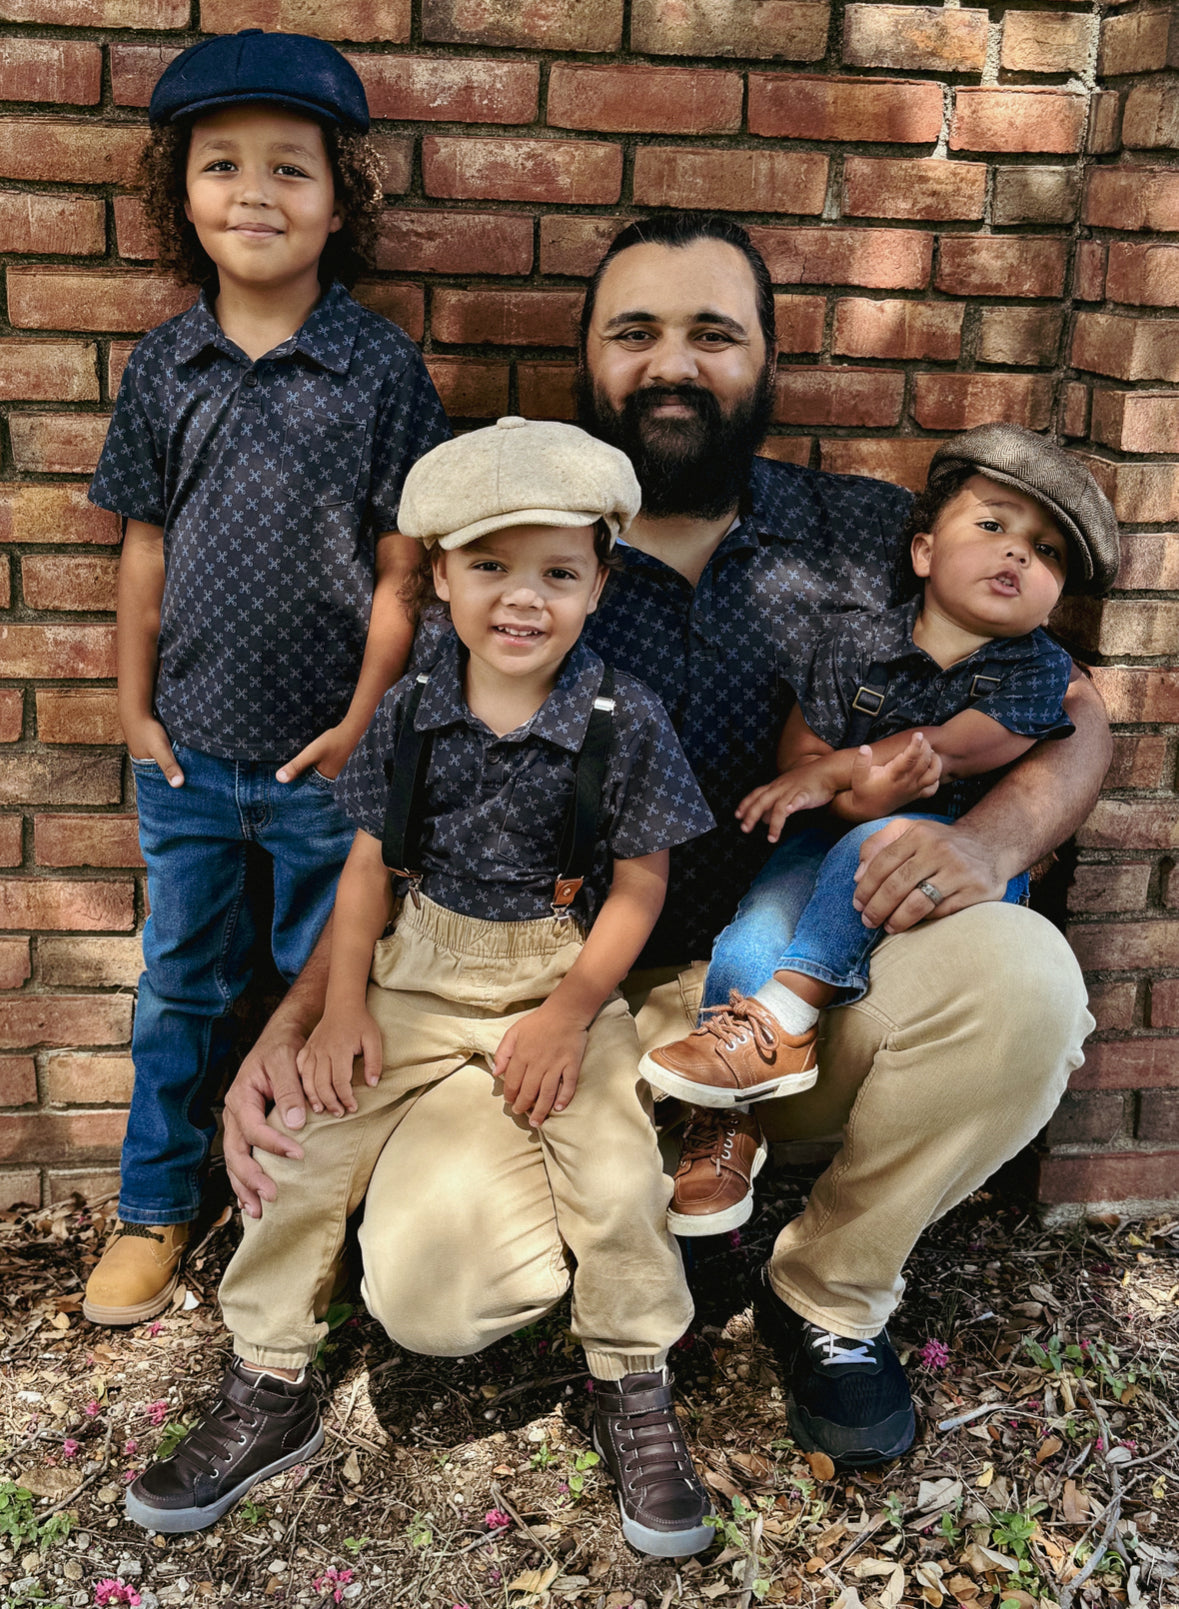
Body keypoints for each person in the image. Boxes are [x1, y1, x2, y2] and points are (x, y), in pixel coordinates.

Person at [222, 213, 1109, 1472]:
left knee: (1024, 979)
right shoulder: (514, 568)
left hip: (798, 992)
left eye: (714, 333)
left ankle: (829, 1291)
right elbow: (399, 819)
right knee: (434, 1295)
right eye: (635, 333)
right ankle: (645, 1197)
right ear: (588, 358)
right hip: (541, 1003)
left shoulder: (864, 539)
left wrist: (993, 835)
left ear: (769, 361)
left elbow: (1075, 704)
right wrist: (303, 1014)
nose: (673, 365)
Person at [125, 417, 718, 1556]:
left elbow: (639, 888)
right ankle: (268, 1378)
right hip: (417, 968)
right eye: (490, 566)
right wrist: (343, 1006)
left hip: (556, 968)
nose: (522, 599)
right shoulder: (407, 713)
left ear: (600, 579)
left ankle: (635, 1384)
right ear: (440, 573)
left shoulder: (621, 717)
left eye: (557, 571)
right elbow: (366, 868)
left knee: (612, 1168)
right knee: (306, 1137)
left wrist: (565, 1013)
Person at [83, 29, 448, 1327]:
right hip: (185, 759)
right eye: (221, 165)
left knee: (318, 992)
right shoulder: (163, 368)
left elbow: (403, 575)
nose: (254, 192)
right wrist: (132, 710)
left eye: (289, 169)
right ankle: (154, 1206)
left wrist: (362, 723)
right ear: (178, 194)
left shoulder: (377, 372)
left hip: (323, 771)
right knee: (182, 987)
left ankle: (297, 1217)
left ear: (341, 196)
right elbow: (143, 549)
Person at [641, 424, 1118, 1134]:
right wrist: (826, 784)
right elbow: (800, 757)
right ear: (923, 552)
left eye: (1045, 551)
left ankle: (789, 1014)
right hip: (827, 841)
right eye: (991, 525)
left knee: (881, 839)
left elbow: (958, 746)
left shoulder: (1038, 669)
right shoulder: (851, 644)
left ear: (1050, 601)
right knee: (752, 931)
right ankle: (722, 1126)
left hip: (945, 851)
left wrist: (842, 775)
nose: (1017, 550)